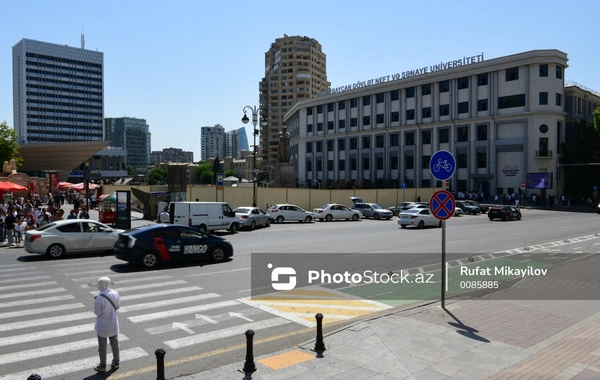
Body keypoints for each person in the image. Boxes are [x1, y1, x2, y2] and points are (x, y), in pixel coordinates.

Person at [93, 277, 120, 372]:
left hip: (102, 325)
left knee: (102, 346)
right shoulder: (115, 293)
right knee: (115, 343)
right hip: (113, 323)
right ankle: (116, 362)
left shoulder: (99, 298)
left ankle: (102, 365)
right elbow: (117, 306)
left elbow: (97, 313)